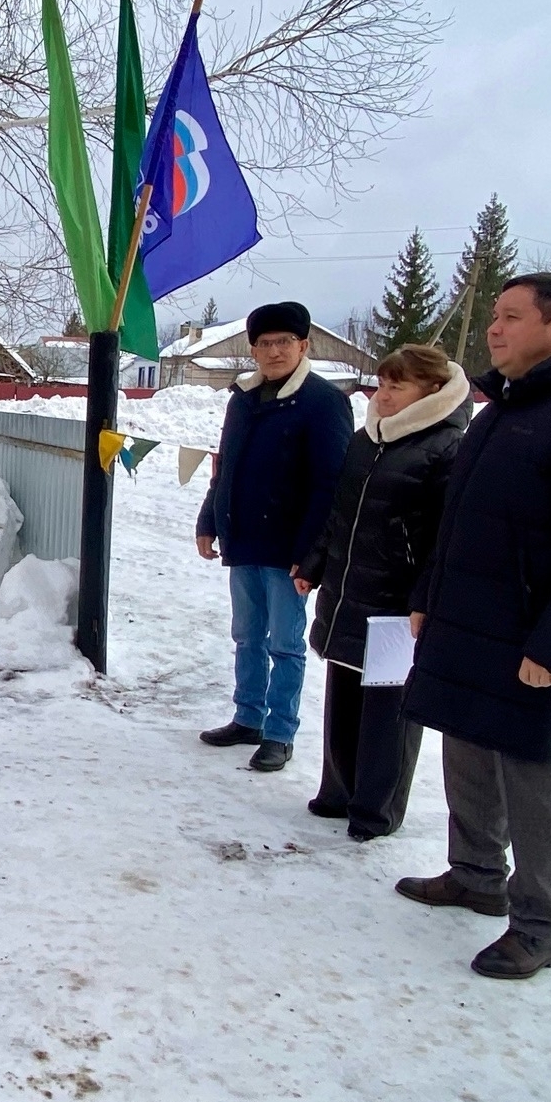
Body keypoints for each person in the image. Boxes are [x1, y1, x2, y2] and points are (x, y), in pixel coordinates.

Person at [397, 273, 551, 980]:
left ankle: (538, 924)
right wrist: (429, 593)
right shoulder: (502, 411)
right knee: (466, 745)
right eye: (494, 318)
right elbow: (457, 523)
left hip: (535, 630)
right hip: (469, 615)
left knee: (529, 771)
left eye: (511, 317)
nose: (494, 330)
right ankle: (474, 872)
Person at [293, 343, 470, 839]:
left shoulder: (447, 448)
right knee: (343, 696)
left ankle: (376, 808)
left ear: (431, 392)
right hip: (349, 590)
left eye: (398, 386)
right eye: (383, 383)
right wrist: (316, 562)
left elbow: (444, 538)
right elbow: (340, 512)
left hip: (397, 603)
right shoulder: (366, 439)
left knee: (387, 713)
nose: (384, 394)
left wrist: (424, 598)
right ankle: (338, 792)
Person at [195, 302, 355, 773]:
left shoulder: (324, 402)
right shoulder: (243, 399)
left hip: (289, 549)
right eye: (264, 343)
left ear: (303, 345)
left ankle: (280, 731)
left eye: (284, 341)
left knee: (285, 643)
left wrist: (311, 554)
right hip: (243, 539)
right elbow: (225, 465)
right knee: (247, 636)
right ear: (253, 350)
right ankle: (247, 717)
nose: (273, 351)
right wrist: (210, 519)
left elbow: (331, 484)